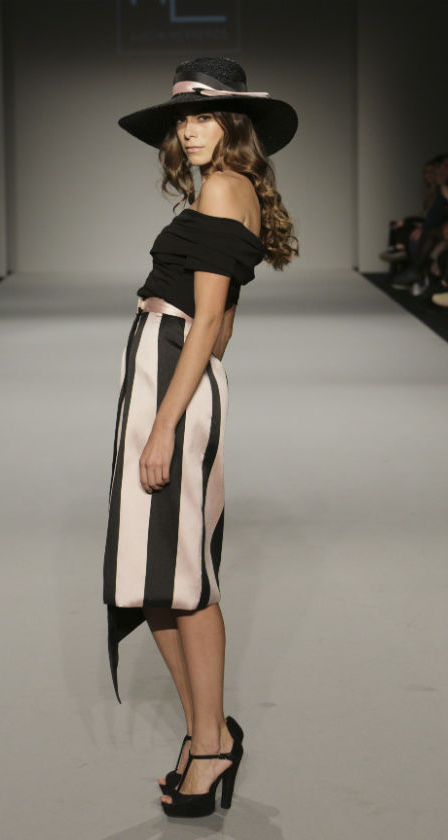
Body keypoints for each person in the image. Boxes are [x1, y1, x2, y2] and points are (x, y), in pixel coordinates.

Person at [103, 57, 298, 819]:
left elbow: (210, 319)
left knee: (182, 578)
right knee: (157, 576)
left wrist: (166, 423)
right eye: (183, 118)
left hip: (171, 385)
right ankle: (204, 731)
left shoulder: (221, 188)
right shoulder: (226, 188)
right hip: (172, 376)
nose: (189, 130)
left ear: (234, 124)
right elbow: (221, 328)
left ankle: (211, 744)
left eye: (205, 116)